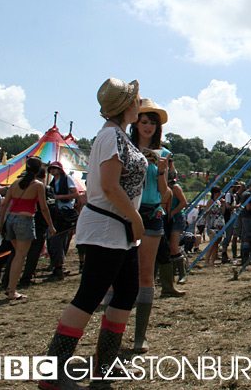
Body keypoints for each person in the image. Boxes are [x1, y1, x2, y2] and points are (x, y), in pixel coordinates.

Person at [39, 78, 147, 390]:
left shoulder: (118, 136)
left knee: (126, 294)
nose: (141, 102)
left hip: (119, 228)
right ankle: (53, 374)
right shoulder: (111, 136)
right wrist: (135, 218)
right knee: (89, 295)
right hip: (107, 226)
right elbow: (110, 186)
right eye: (137, 98)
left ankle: (105, 368)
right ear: (127, 105)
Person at [130, 98, 182, 355]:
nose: (148, 126)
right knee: (119, 274)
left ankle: (140, 335)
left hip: (151, 213)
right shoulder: (125, 148)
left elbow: (165, 194)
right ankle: (112, 332)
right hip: (125, 212)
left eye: (153, 122)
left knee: (146, 275)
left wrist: (161, 172)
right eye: (144, 121)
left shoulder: (164, 154)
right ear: (135, 123)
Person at [0, 156, 55, 302]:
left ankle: (9, 286)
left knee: (17, 254)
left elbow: (4, 205)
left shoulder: (15, 183)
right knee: (20, 256)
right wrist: (50, 225)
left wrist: (1, 224)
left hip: (10, 219)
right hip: (24, 220)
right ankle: (12, 290)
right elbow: (43, 208)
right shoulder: (38, 185)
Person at [46, 161, 80, 279]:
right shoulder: (52, 182)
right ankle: (56, 263)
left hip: (65, 212)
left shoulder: (67, 179)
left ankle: (59, 266)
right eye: (51, 168)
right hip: (55, 212)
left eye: (55, 168)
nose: (53, 170)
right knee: (52, 240)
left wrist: (59, 197)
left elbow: (75, 194)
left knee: (60, 240)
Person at [164, 172, 188, 283]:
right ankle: (171, 274)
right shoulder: (163, 187)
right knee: (167, 247)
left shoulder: (175, 187)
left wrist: (172, 213)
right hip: (167, 218)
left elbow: (183, 202)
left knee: (174, 246)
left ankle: (182, 274)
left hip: (177, 218)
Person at [202, 186, 224, 266]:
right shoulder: (210, 201)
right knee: (212, 242)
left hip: (219, 222)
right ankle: (206, 261)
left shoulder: (219, 201)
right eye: (219, 192)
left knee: (216, 243)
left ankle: (212, 261)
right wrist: (209, 225)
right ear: (215, 193)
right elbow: (207, 213)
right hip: (212, 223)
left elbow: (222, 212)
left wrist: (224, 204)